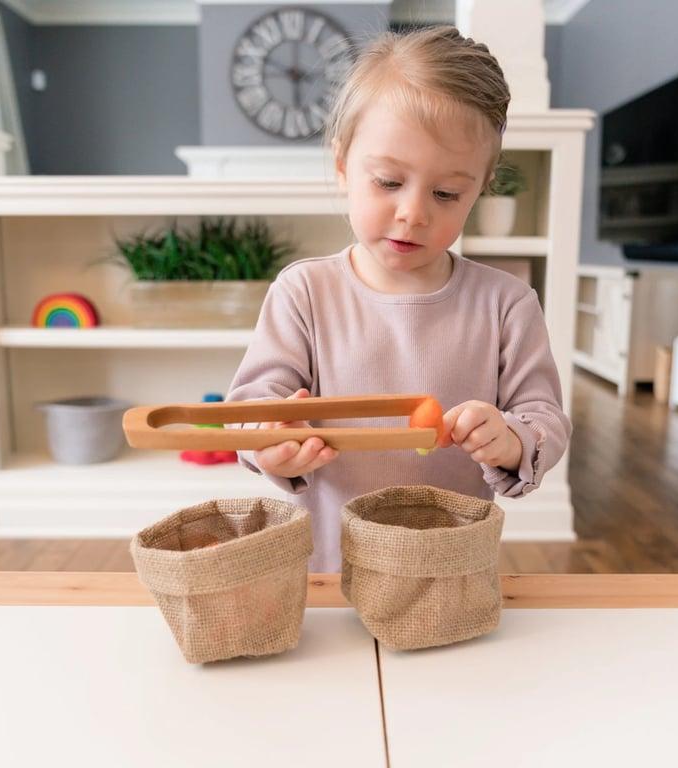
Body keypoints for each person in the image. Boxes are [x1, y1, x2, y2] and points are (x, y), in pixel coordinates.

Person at [226, 25, 571, 572]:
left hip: (451, 568)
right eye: (389, 181)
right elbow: (250, 407)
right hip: (331, 569)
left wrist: (511, 438)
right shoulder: (304, 292)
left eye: (446, 193)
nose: (414, 212)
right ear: (343, 166)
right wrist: (269, 442)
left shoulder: (507, 303)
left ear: (478, 191)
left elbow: (545, 417)